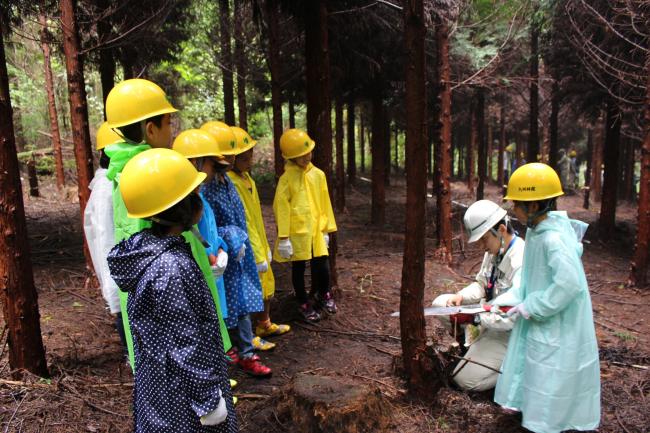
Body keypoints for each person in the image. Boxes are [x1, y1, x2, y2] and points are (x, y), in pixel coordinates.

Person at [107, 148, 237, 433]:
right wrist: (207, 400)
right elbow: (185, 341)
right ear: (185, 207)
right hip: (181, 398)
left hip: (160, 386)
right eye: (196, 195)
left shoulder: (149, 250)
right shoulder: (170, 268)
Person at [495, 162, 600, 433]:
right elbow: (531, 278)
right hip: (543, 318)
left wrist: (533, 305)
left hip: (557, 322)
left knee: (551, 376)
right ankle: (537, 419)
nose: (513, 210)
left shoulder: (553, 239)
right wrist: (509, 299)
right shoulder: (536, 232)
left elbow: (568, 285)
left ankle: (548, 425)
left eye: (516, 204)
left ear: (533, 206)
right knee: (538, 373)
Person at [104, 78, 178, 368]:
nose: (172, 131)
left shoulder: (125, 168)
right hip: (166, 290)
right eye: (168, 123)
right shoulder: (149, 173)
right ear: (151, 129)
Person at [201, 121, 272, 377]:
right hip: (220, 258)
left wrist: (249, 244)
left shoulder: (226, 181)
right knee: (222, 308)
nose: (232, 158)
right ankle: (227, 354)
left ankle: (246, 353)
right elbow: (207, 226)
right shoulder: (205, 187)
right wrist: (228, 240)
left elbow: (241, 217)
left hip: (238, 255)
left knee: (241, 305)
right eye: (227, 153)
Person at [431, 200, 524, 391]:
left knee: (464, 380)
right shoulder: (494, 250)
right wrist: (461, 296)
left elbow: (512, 315)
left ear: (500, 229)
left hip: (509, 334)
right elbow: (482, 283)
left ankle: (517, 372)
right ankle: (470, 350)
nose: (482, 246)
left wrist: (475, 318)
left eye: (483, 239)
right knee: (440, 304)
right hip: (488, 320)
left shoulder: (520, 260)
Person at [172, 129, 234, 355]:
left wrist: (220, 248)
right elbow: (192, 232)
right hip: (199, 272)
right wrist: (209, 255)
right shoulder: (184, 200)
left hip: (211, 267)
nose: (214, 169)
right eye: (211, 162)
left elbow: (211, 231)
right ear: (196, 162)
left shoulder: (201, 195)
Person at [227, 126, 291, 346]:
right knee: (248, 289)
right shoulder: (231, 183)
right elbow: (243, 220)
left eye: (250, 154)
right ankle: (248, 336)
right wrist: (255, 250)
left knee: (266, 283)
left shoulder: (247, 179)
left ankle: (264, 323)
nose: (249, 159)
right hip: (244, 243)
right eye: (244, 156)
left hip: (257, 240)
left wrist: (264, 245)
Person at [272, 129, 338, 322]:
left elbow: (324, 202)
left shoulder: (318, 175)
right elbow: (281, 207)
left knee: (322, 266)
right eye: (300, 156)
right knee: (299, 268)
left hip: (316, 230)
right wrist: (283, 237)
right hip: (296, 233)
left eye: (307, 152)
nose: (305, 157)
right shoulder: (287, 179)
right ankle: (302, 302)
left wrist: (326, 229)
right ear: (290, 158)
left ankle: (323, 294)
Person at [83, 122, 125, 349]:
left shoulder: (114, 182)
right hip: (121, 278)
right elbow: (104, 239)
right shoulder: (105, 188)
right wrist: (114, 291)